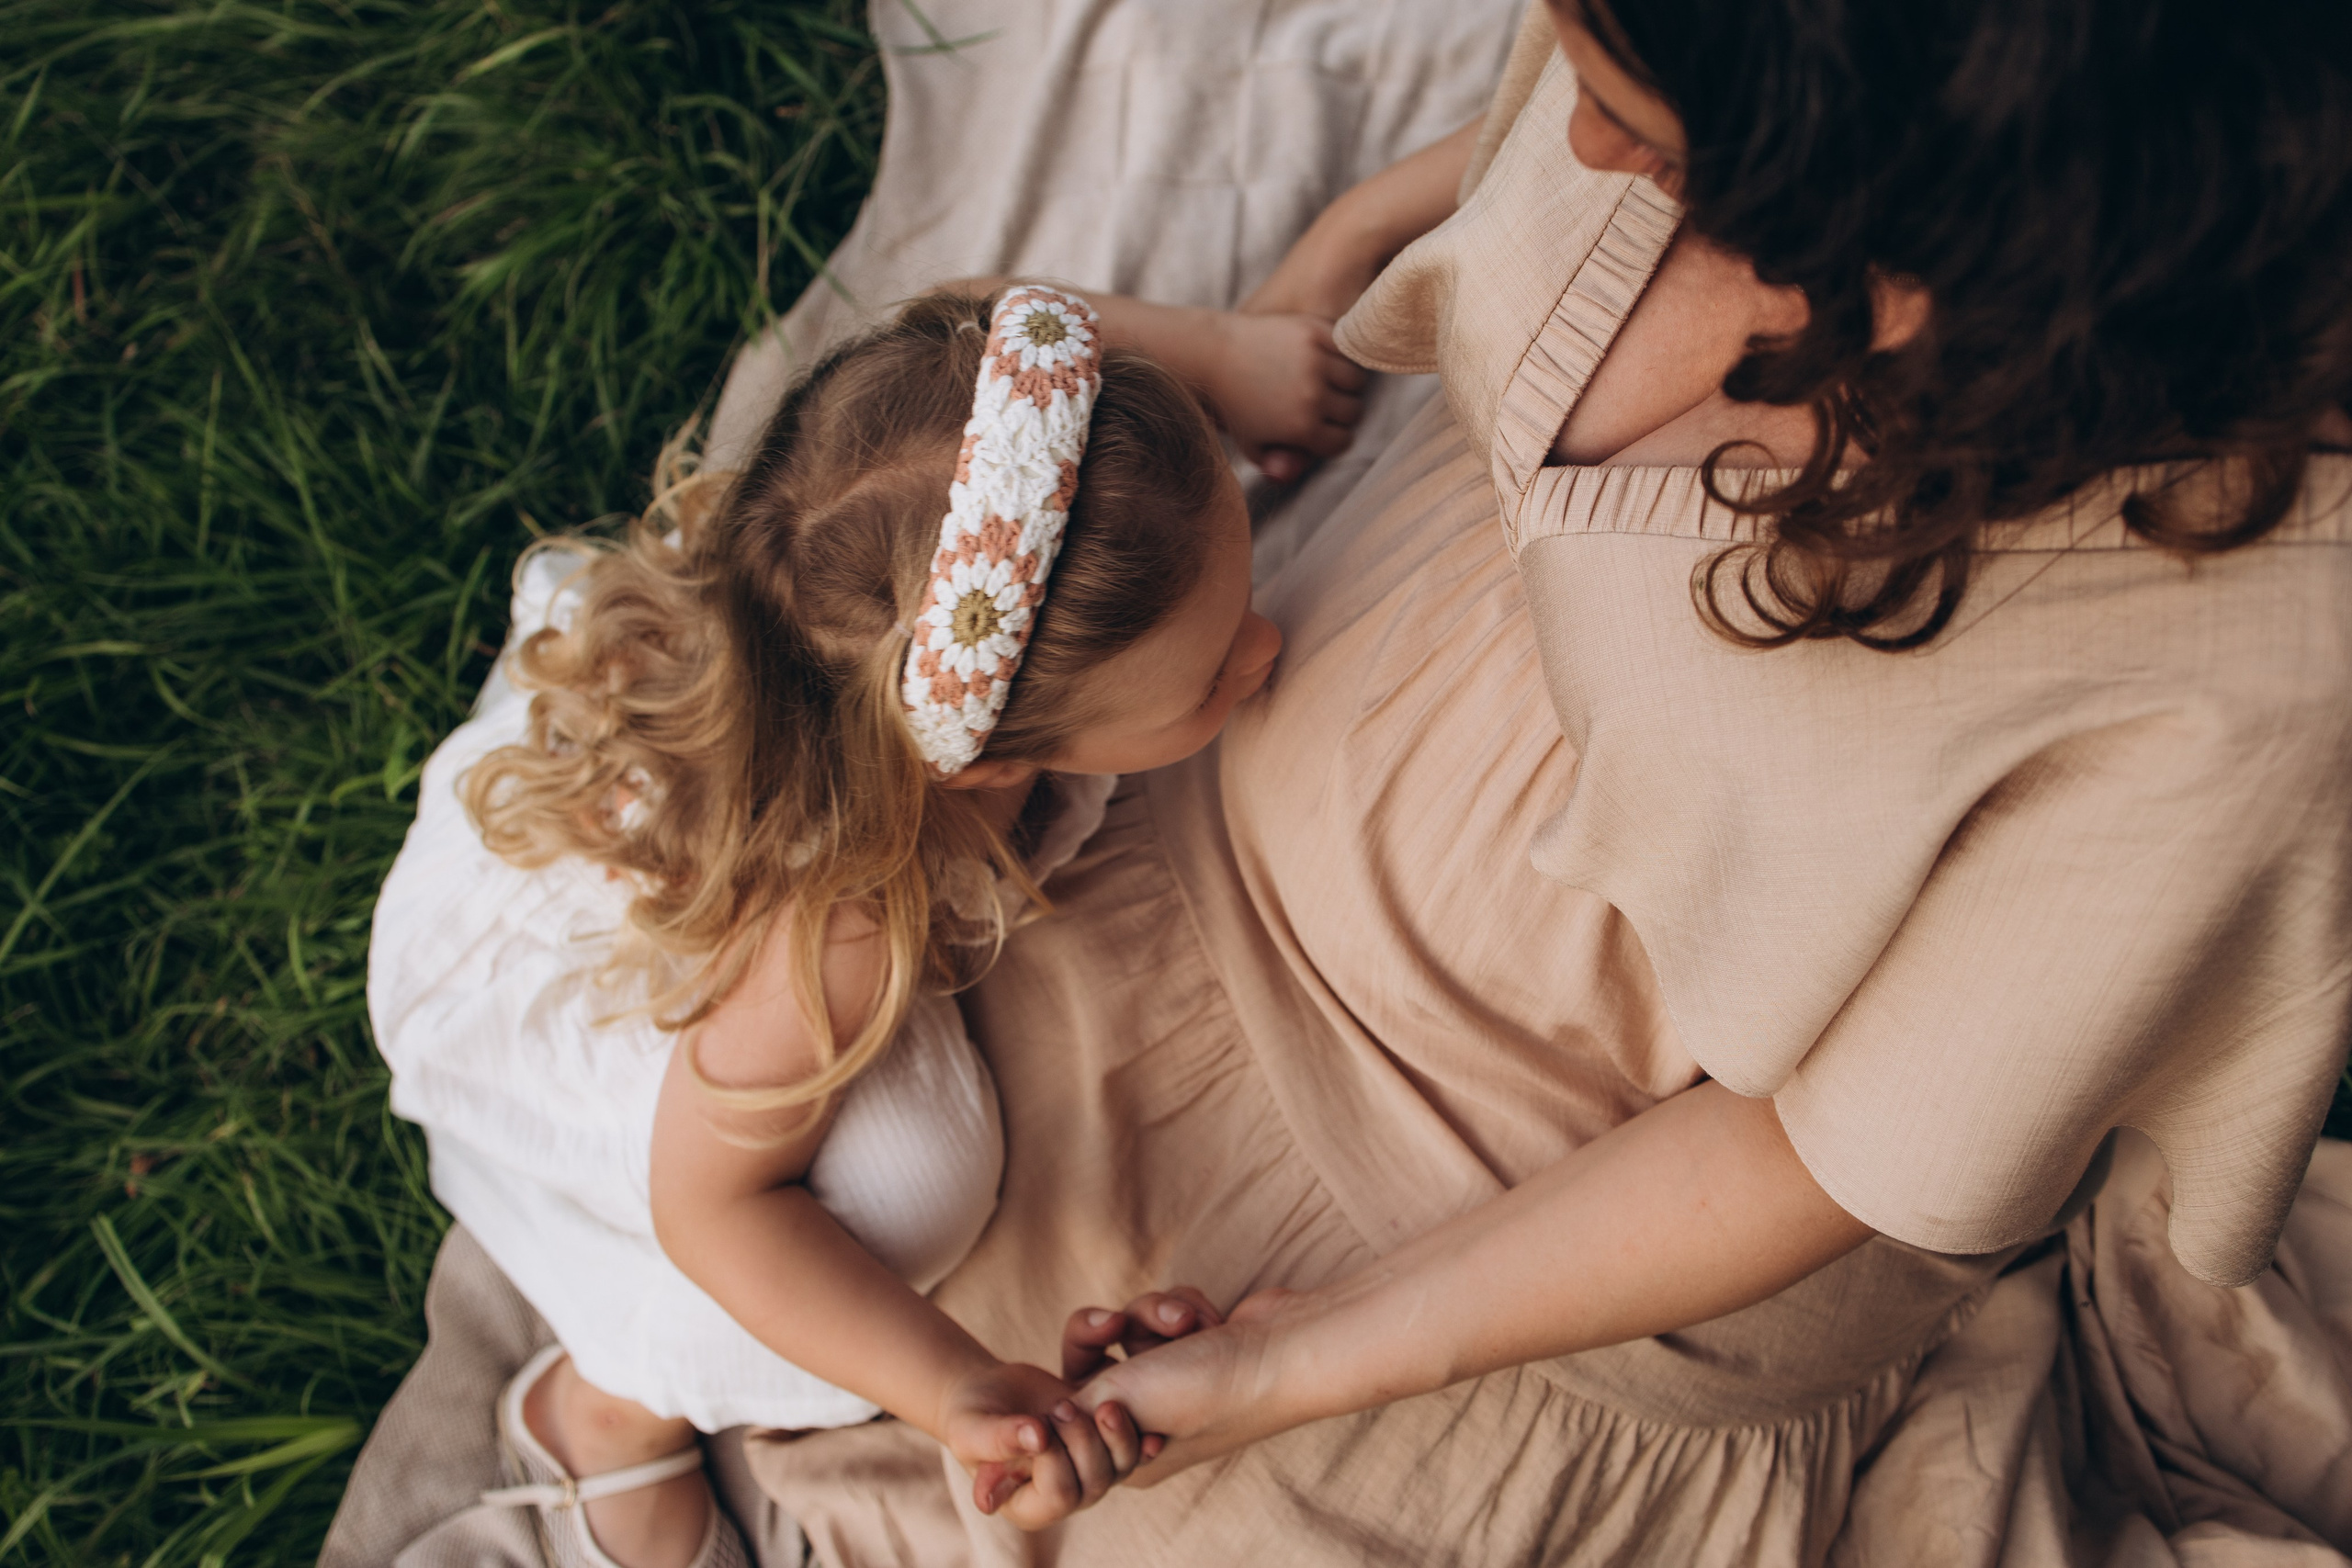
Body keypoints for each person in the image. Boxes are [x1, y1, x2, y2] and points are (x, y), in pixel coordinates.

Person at [741, 0, 2352, 1560]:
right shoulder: (1736, 50)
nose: (1576, 134)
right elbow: (1553, 117)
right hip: (1153, 856)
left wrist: (1300, 1359)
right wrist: (1354, 234)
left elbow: (1827, 1158)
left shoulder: (2263, 658)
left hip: (1501, 1252)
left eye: (1650, 129)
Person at [366, 285, 1298, 1568]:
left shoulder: (947, 500)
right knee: (920, 1180)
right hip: (580, 994)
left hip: (654, 722)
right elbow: (715, 1207)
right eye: (1210, 675)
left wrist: (1223, 355)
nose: (1267, 654)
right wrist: (954, 1387)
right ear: (986, 765)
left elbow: (992, 310)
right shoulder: (844, 919)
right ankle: (605, 1404)